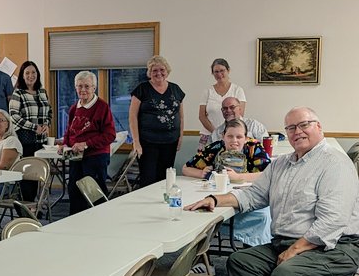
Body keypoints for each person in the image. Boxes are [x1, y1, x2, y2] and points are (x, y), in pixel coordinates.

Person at [185, 107, 359, 276]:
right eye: (291, 128)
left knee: (285, 272)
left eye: (304, 125)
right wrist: (215, 199)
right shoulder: (281, 164)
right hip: (288, 242)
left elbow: (332, 221)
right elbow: (253, 196)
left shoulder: (334, 163)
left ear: (319, 127)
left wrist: (294, 250)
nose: (297, 132)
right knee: (241, 261)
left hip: (336, 247)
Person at [183, 119, 272, 246]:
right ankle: (200, 251)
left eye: (239, 137)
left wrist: (239, 176)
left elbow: (269, 174)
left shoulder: (254, 147)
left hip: (245, 196)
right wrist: (201, 173)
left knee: (262, 216)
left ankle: (253, 249)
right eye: (230, 136)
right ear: (223, 136)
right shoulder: (215, 148)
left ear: (246, 138)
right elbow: (185, 168)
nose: (234, 141)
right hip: (216, 195)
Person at [61, 70, 116, 215]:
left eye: (87, 86)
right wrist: (64, 145)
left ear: (94, 88)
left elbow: (110, 135)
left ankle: (99, 222)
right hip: (75, 156)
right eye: (79, 86)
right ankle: (75, 223)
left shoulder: (102, 107)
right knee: (74, 191)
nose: (83, 90)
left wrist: (86, 144)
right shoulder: (74, 108)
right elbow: (69, 131)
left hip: (96, 156)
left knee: (95, 194)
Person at [128, 55, 185, 189]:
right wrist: (136, 142)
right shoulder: (142, 89)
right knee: (148, 179)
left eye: (162, 70)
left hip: (170, 142)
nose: (158, 73)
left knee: (165, 179)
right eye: (154, 70)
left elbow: (181, 116)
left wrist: (180, 137)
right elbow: (132, 116)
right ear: (149, 72)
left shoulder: (176, 89)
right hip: (147, 142)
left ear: (167, 71)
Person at [9, 60, 51, 200]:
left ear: (37, 74)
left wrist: (46, 124)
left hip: (42, 140)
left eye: (33, 72)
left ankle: (35, 204)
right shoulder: (18, 93)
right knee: (28, 175)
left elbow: (49, 111)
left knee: (39, 174)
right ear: (22, 75)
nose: (31, 75)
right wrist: (34, 127)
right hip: (26, 140)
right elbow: (14, 116)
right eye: (27, 73)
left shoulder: (42, 92)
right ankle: (27, 205)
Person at [197, 58, 246, 146]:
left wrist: (226, 133)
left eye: (222, 71)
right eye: (216, 72)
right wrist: (216, 133)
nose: (219, 74)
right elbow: (202, 116)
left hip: (230, 136)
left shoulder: (238, 90)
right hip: (208, 135)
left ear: (228, 70)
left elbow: (239, 114)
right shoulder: (207, 91)